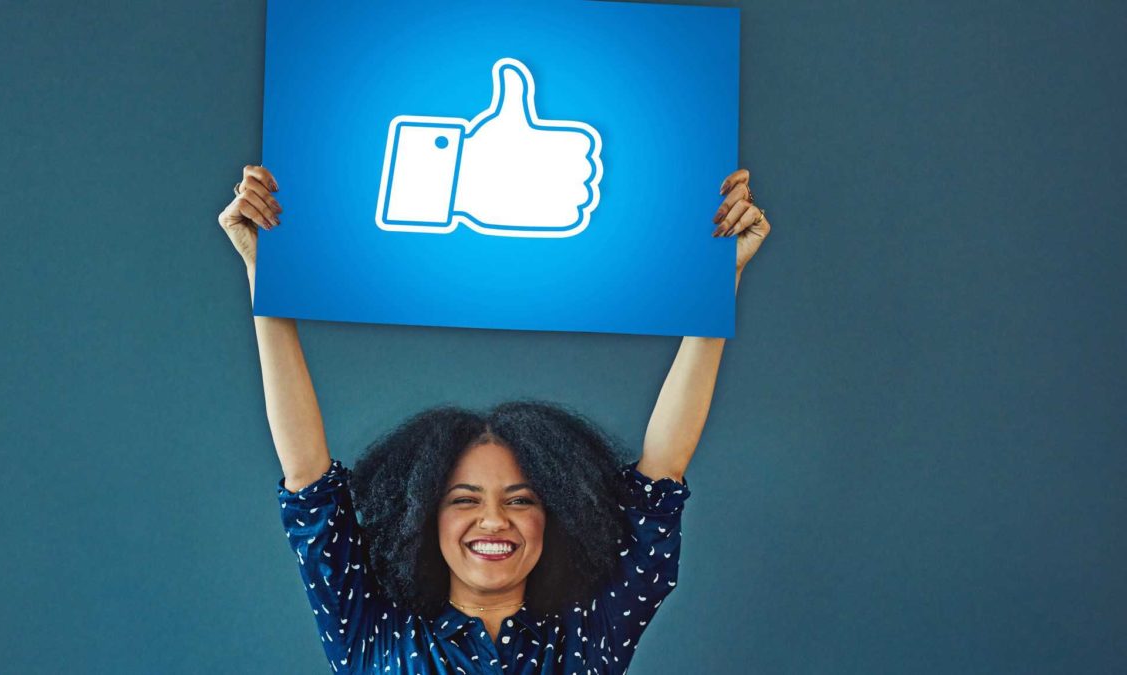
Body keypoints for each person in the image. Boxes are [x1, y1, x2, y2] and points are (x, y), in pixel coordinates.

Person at [218, 165, 771, 673]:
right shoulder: (375, 639)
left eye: (520, 499)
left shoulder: (588, 636)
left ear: (555, 517)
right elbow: (306, 478)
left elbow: (663, 473)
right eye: (463, 499)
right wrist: (265, 275)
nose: (492, 521)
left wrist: (717, 282)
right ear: (421, 520)